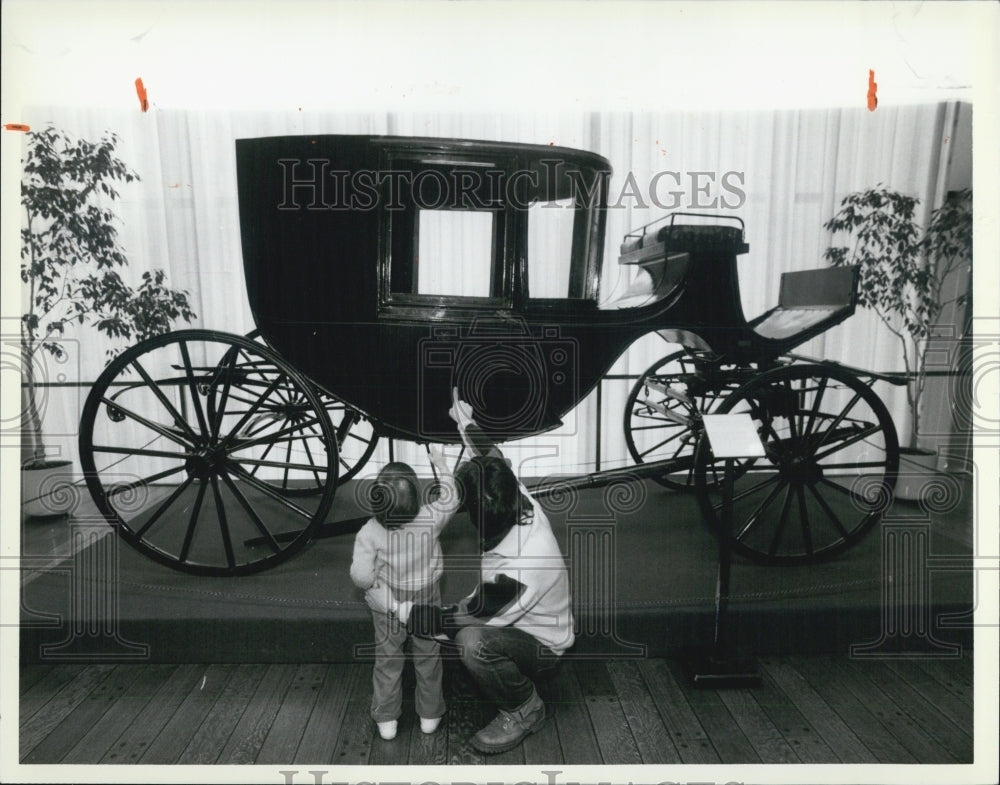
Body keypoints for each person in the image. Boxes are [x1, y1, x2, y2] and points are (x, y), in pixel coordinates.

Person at [392, 394, 575, 755]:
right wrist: (465, 420)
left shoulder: (523, 564)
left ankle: (525, 709)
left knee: (472, 644)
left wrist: (399, 609)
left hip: (543, 646)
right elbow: (490, 457)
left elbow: (465, 619)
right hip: (507, 614)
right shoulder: (510, 493)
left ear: (477, 515)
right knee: (470, 627)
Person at [350, 447, 458, 740]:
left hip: (389, 603)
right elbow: (451, 498)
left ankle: (386, 719)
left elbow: (360, 576)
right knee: (428, 655)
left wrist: (373, 584)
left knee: (388, 658)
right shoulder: (430, 518)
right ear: (417, 497)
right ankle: (430, 714)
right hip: (426, 596)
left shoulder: (369, 532)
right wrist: (442, 464)